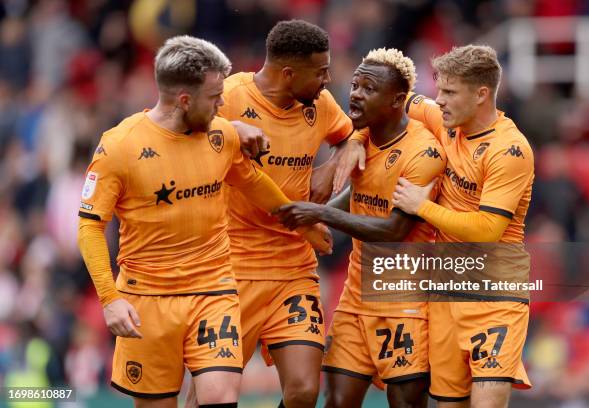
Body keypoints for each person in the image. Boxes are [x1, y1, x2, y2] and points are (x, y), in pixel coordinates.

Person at [77, 35, 330, 408]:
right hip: (147, 300)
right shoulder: (120, 147)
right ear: (184, 100)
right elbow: (89, 226)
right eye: (214, 97)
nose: (223, 104)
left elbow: (254, 183)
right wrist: (110, 299)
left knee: (219, 397)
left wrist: (301, 221)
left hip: (214, 289)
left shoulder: (220, 135)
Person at [350, 45, 534, 408]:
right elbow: (382, 106)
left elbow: (487, 230)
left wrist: (423, 207)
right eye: (439, 90)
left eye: (449, 92)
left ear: (481, 94)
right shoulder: (441, 118)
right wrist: (356, 141)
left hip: (494, 297)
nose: (439, 100)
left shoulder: (510, 151)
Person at [275, 48, 446, 408]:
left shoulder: (424, 153)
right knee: (337, 402)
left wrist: (319, 214)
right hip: (355, 295)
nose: (355, 94)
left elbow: (393, 230)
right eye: (355, 85)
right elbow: (361, 191)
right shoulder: (366, 134)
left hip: (404, 298)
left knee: (405, 403)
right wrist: (319, 213)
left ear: (397, 100)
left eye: (369, 88)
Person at [196, 20, 354, 408]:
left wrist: (332, 165)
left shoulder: (320, 104)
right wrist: (229, 127)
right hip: (231, 269)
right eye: (320, 71)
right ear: (288, 73)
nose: (327, 79)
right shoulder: (230, 96)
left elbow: (351, 136)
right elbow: (177, 131)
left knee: (303, 391)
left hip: (292, 266)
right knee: (212, 398)